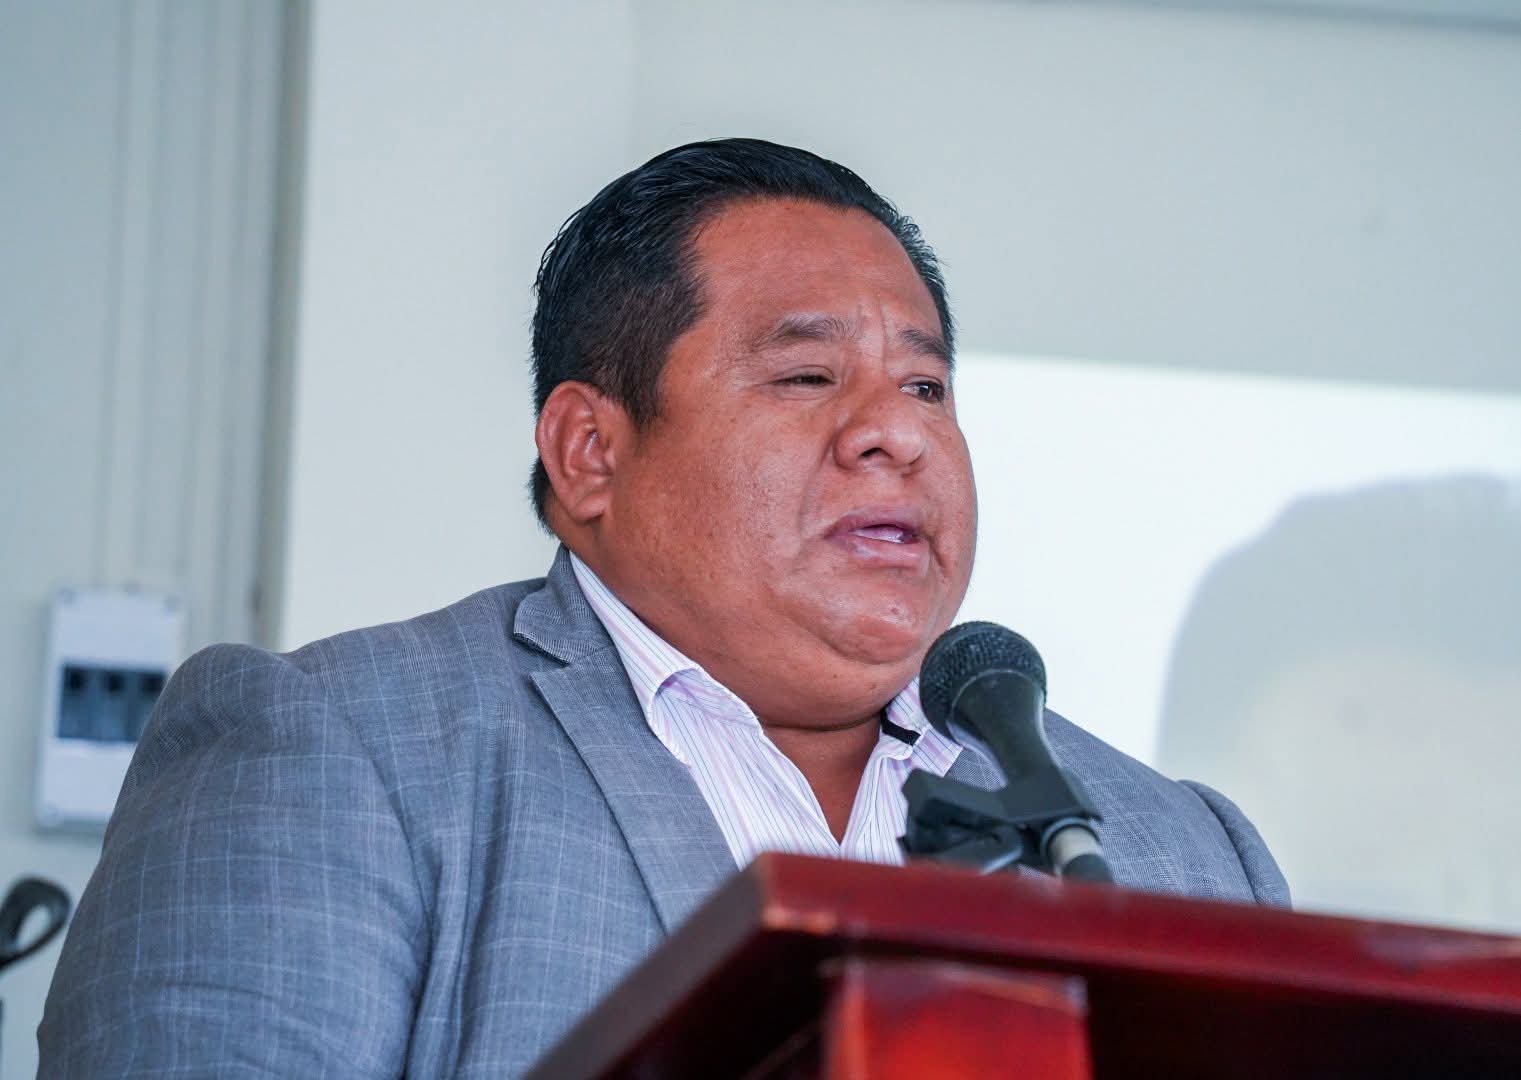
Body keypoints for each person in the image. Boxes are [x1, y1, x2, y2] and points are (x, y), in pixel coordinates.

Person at [40, 138, 1287, 1077]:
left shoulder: (1171, 850)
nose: (897, 434)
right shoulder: (339, 749)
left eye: (926, 386)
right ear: (590, 451)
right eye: (807, 375)